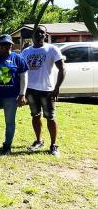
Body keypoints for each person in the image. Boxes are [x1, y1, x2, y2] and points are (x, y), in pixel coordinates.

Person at [21, 26, 65, 156]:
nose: (39, 34)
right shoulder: (26, 51)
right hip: (31, 90)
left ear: (45, 35)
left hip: (47, 91)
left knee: (50, 117)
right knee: (35, 116)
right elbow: (20, 70)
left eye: (42, 32)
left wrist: (57, 88)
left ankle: (54, 145)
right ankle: (39, 140)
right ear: (32, 35)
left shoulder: (52, 49)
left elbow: (62, 68)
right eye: (37, 32)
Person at [0, 34, 28, 155]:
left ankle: (7, 145)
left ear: (11, 45)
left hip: (11, 97)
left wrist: (22, 94)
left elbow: (24, 77)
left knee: (10, 122)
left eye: (8, 44)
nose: (6, 46)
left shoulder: (18, 58)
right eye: (3, 44)